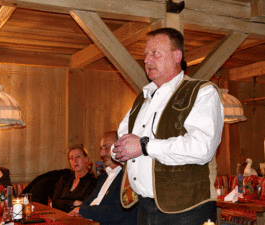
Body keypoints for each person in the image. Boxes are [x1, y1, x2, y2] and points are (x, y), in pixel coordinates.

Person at [112, 28, 224, 225]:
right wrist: (119, 151)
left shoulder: (201, 92)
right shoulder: (142, 99)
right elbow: (122, 140)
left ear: (177, 56)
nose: (147, 60)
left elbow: (202, 148)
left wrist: (145, 146)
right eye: (146, 54)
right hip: (144, 209)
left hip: (187, 211)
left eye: (155, 53)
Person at [68, 131, 138, 225]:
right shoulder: (105, 175)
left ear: (121, 146)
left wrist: (83, 211)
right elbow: (90, 200)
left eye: (106, 148)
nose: (102, 153)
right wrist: (77, 211)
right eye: (101, 148)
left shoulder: (129, 176)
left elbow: (118, 212)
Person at [52, 144, 97, 213]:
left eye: (78, 157)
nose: (75, 161)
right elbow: (55, 202)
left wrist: (63, 203)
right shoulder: (65, 178)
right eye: (71, 158)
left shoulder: (93, 181)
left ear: (86, 159)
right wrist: (74, 202)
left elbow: (85, 206)